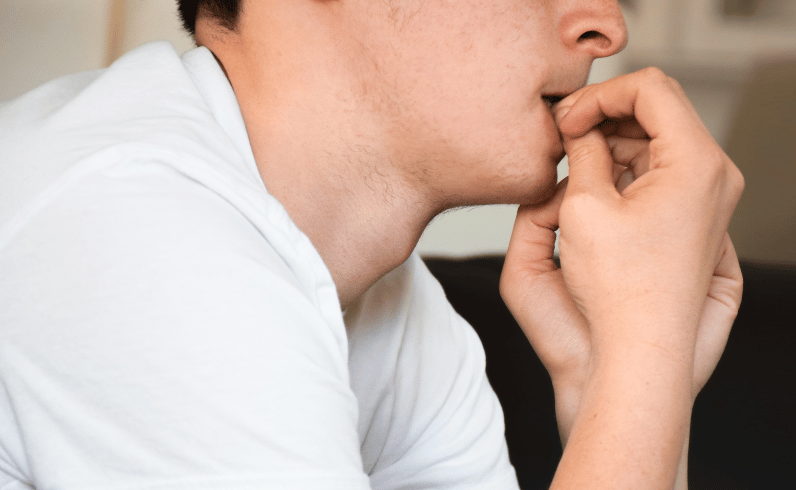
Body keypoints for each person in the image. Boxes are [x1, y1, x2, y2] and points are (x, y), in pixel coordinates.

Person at [0, 0, 743, 489]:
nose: (605, 27)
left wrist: (610, 376)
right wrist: (647, 339)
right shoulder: (138, 235)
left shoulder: (390, 303)